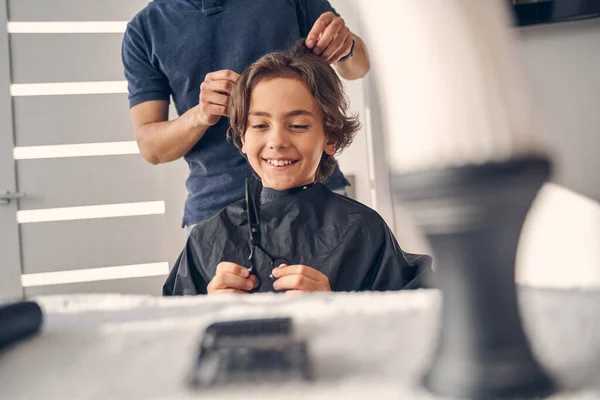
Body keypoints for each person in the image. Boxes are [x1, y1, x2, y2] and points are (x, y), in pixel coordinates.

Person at [163, 42, 431, 295]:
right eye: (259, 126)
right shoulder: (206, 238)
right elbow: (169, 332)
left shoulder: (362, 230)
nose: (277, 141)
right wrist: (210, 311)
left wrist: (335, 308)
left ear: (330, 137)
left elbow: (414, 318)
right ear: (243, 137)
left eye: (298, 126)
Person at [121, 0, 371, 233]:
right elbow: (151, 147)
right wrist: (201, 114)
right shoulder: (145, 29)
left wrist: (346, 46)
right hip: (218, 215)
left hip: (316, 197)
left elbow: (359, 66)